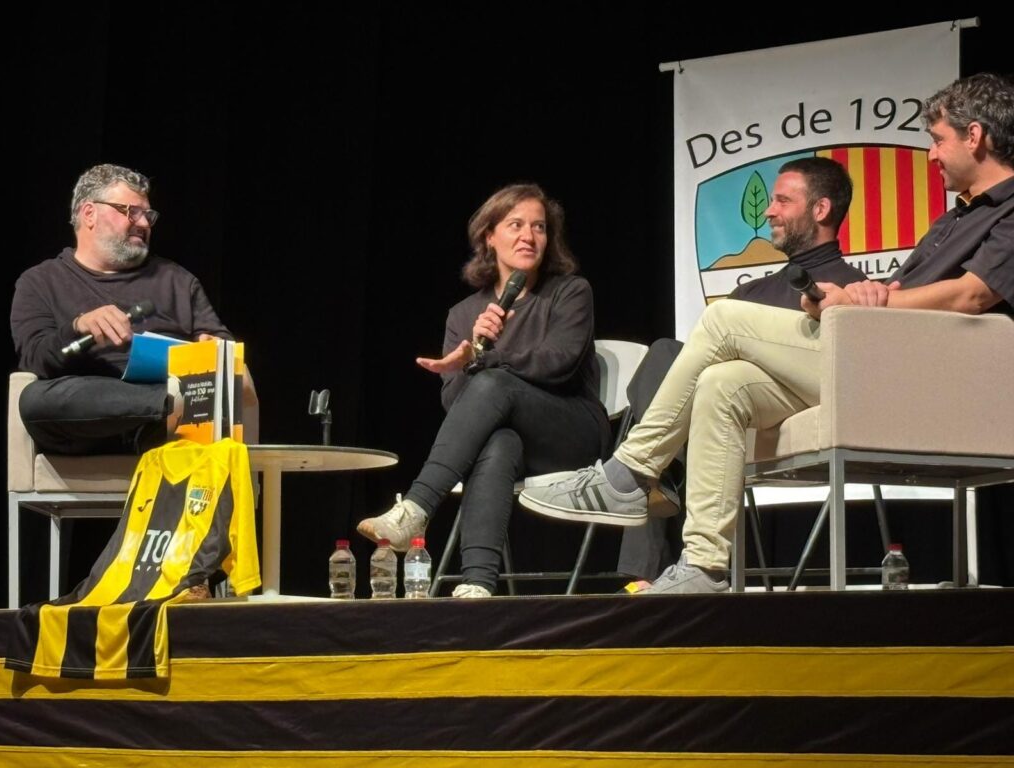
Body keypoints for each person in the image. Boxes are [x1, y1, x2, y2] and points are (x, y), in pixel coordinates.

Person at [520, 72, 1014, 594]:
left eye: (938, 140)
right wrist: (858, 295)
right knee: (723, 385)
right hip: (876, 351)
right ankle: (705, 567)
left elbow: (972, 296)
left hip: (907, 371)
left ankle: (629, 473)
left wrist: (873, 301)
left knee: (724, 320)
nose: (931, 155)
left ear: (975, 136)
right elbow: (902, 294)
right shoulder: (951, 220)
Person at [617, 156, 866, 586]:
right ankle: (657, 482)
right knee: (664, 355)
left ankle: (646, 487)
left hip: (773, 408)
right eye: (770, 200)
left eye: (782, 201)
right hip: (716, 415)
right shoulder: (750, 292)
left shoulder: (851, 290)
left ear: (821, 209)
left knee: (699, 373)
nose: (768, 211)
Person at [356, 183, 610, 598]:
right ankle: (477, 583)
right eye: (515, 225)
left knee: (493, 384)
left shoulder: (570, 292)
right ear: (489, 236)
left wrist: (485, 358)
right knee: (498, 439)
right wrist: (476, 348)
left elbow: (559, 364)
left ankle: (417, 507)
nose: (529, 236)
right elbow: (458, 407)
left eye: (539, 227)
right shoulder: (464, 315)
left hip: (572, 431)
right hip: (516, 439)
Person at [11, 163, 247, 455]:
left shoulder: (177, 281)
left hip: (169, 424)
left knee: (209, 393)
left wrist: (214, 350)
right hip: (88, 421)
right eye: (131, 212)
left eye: (148, 215)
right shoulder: (40, 281)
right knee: (33, 400)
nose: (144, 223)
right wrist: (78, 326)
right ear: (89, 213)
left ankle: (163, 410)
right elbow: (35, 358)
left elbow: (226, 354)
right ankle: (164, 404)